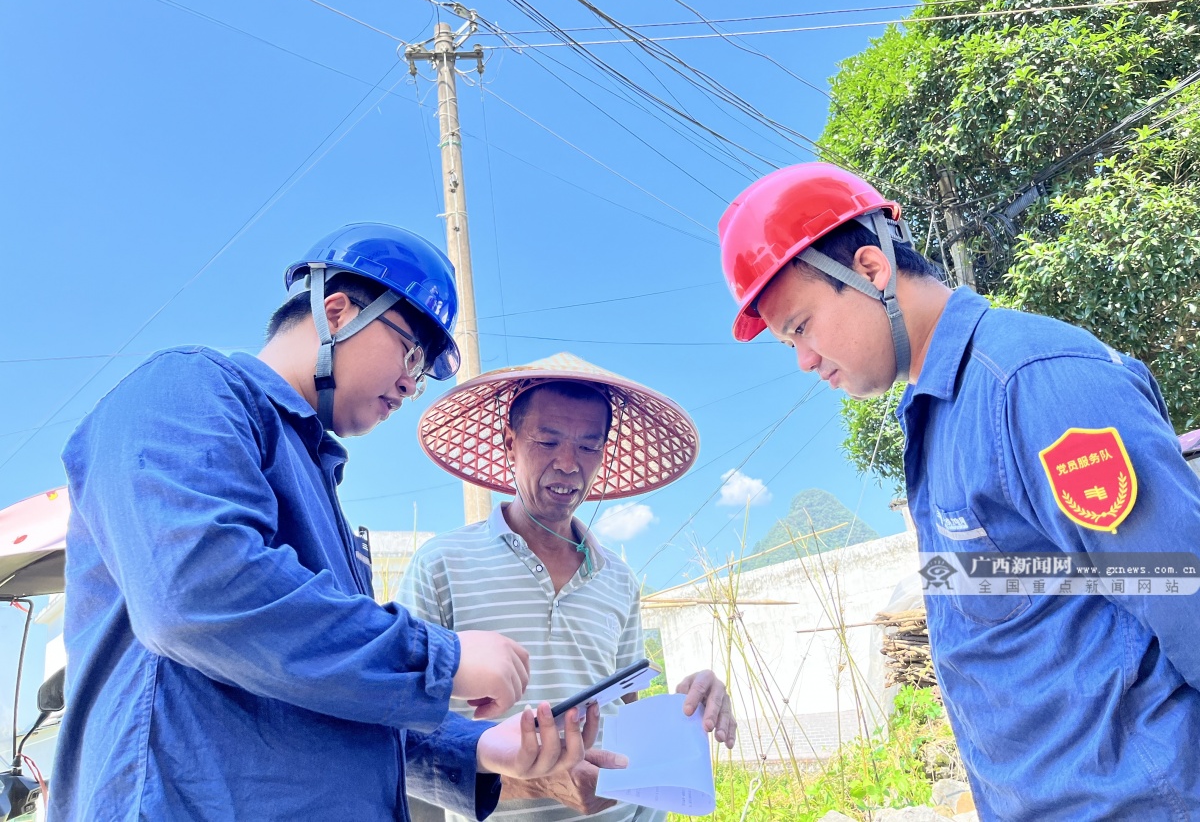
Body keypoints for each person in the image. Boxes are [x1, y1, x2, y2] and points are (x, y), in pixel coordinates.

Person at [51, 224, 595, 822]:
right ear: (337, 312)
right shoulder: (187, 387)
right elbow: (196, 590)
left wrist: (481, 746)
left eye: (423, 372)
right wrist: (441, 659)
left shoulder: (316, 479)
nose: (411, 384)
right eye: (411, 353)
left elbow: (333, 692)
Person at [718, 162, 1200, 820]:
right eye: (787, 343)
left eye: (800, 327)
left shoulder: (1031, 383)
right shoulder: (935, 417)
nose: (803, 360)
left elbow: (1183, 587)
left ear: (871, 269)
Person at [399, 353, 738, 822]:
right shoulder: (441, 564)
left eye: (588, 446)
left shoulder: (617, 578)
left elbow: (627, 709)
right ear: (510, 443)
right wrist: (536, 780)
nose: (568, 464)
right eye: (547, 441)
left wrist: (687, 705)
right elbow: (399, 728)